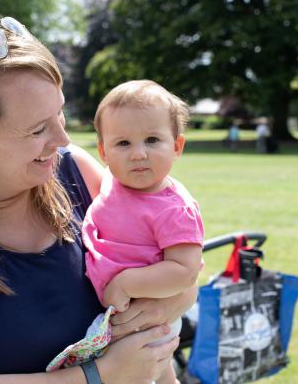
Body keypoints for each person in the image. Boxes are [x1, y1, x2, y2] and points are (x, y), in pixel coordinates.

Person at [0, 15, 196, 384]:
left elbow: (180, 267)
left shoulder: (76, 172)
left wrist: (170, 301)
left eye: (59, 112)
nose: (63, 138)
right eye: (37, 129)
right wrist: (100, 376)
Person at [81, 80, 204, 384]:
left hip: (144, 319)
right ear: (104, 152)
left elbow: (184, 270)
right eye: (123, 143)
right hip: (119, 318)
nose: (138, 154)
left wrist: (126, 284)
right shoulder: (111, 181)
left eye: (151, 140)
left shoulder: (173, 208)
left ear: (177, 146)